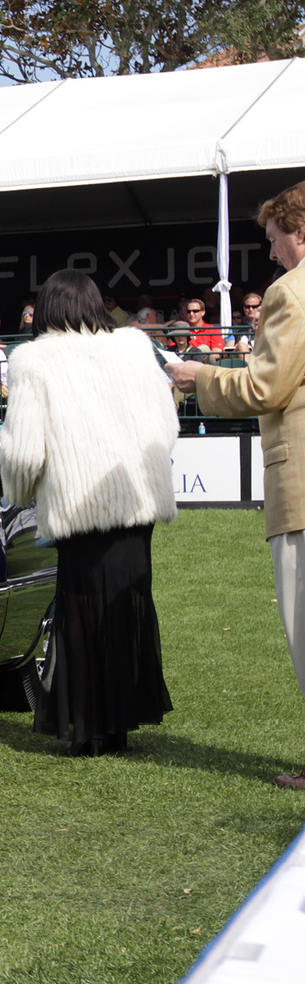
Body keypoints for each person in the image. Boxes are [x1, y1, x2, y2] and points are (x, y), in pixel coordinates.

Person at [0, 268, 177, 757]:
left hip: (80, 507)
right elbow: (168, 424)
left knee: (79, 611)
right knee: (127, 605)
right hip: (135, 501)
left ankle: (86, 725)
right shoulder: (135, 348)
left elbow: (23, 453)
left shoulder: (35, 361)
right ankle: (120, 719)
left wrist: (15, 493)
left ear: (50, 307)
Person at [168, 180, 305, 788]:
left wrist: (199, 376)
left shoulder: (290, 295)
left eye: (275, 240)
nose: (271, 254)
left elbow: (266, 388)